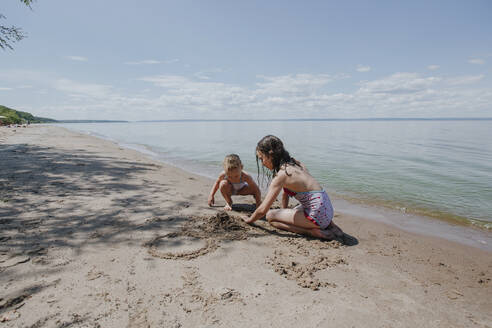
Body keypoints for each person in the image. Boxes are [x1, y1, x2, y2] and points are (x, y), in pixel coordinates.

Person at [245, 135, 343, 240]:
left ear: (271, 155)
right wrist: (284, 211)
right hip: (327, 211)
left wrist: (249, 220)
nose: (262, 163)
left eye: (262, 158)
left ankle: (311, 231)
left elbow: (263, 210)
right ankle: (331, 226)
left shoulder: (281, 175)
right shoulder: (296, 164)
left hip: (316, 216)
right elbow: (285, 193)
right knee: (295, 209)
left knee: (270, 217)